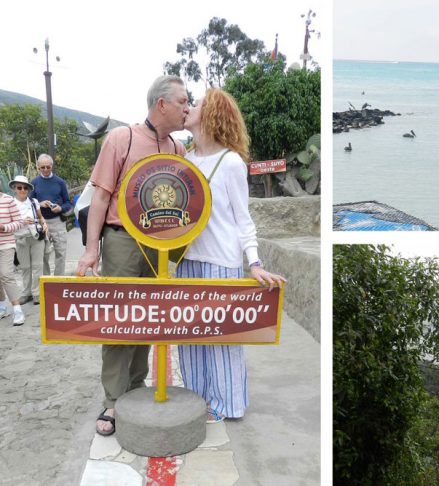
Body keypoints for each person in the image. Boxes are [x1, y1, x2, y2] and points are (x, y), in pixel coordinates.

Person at [75, 75, 189, 436]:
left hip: (159, 246)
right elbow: (102, 197)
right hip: (122, 239)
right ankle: (112, 400)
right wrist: (92, 250)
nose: (187, 108)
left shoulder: (177, 149)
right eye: (183, 101)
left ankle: (136, 388)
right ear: (161, 105)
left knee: (149, 318)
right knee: (119, 319)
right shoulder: (121, 138)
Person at [178, 87, 285, 423]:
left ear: (210, 114)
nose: (189, 108)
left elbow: (243, 219)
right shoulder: (185, 159)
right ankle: (198, 400)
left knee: (222, 340)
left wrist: (253, 263)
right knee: (189, 337)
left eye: (195, 104)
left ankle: (227, 405)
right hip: (186, 261)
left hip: (220, 263)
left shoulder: (231, 163)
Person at [30, 154, 72, 276]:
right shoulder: (34, 183)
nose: (45, 170)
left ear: (52, 166)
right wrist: (40, 203)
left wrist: (60, 208)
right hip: (42, 222)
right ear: (38, 167)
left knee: (61, 253)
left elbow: (68, 203)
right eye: (42, 167)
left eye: (48, 167)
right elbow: (29, 203)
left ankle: (58, 281)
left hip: (58, 221)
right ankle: (46, 281)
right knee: (43, 254)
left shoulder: (60, 182)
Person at [0, 182, 33, 326]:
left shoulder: (8, 200)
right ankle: (1, 306)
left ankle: (17, 309)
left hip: (6, 244)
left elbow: (19, 222)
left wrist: (3, 227)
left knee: (6, 274)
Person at [11, 176, 47, 305]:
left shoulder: (34, 202)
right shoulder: (11, 203)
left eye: (25, 187)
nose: (22, 190)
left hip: (35, 237)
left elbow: (40, 217)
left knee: (38, 266)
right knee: (25, 267)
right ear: (14, 188)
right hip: (20, 238)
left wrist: (44, 224)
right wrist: (22, 222)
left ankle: (37, 293)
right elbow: (8, 222)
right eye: (19, 187)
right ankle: (26, 293)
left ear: (28, 189)